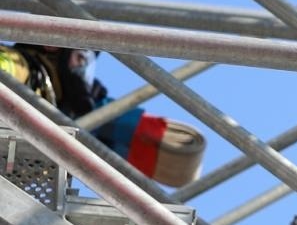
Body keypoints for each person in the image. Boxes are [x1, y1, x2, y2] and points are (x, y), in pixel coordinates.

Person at [0, 42, 205, 187]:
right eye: (81, 57)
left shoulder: (67, 116)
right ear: (51, 45)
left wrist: (96, 110)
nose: (84, 71)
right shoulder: (21, 67)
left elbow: (179, 162)